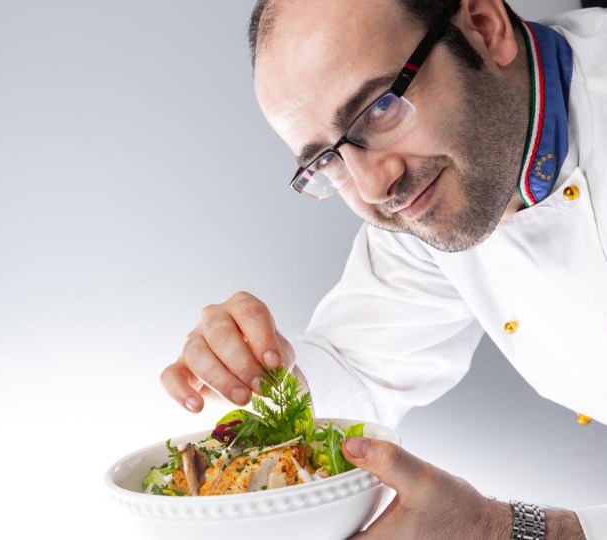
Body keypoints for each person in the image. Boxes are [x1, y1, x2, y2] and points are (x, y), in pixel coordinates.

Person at [160, 0, 607, 537]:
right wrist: (256, 371)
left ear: (484, 27)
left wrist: (509, 531)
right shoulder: (435, 195)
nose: (374, 189)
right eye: (326, 159)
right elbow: (359, 372)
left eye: (379, 109)